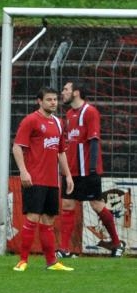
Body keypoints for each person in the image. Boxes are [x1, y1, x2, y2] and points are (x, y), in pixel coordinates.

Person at [57, 80, 126, 258]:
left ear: (76, 92)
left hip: (87, 170)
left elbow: (94, 140)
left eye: (66, 89)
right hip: (71, 170)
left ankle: (117, 244)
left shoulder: (90, 112)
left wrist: (93, 168)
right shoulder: (69, 114)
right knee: (67, 204)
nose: (62, 92)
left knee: (96, 204)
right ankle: (64, 250)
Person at [12, 86, 75, 272]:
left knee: (48, 220)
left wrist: (68, 175)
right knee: (32, 217)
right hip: (34, 178)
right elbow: (17, 147)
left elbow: (61, 151)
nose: (53, 103)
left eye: (55, 99)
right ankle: (23, 261)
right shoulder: (31, 120)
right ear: (39, 101)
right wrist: (23, 171)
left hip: (52, 181)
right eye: (49, 99)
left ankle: (52, 262)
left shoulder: (58, 122)